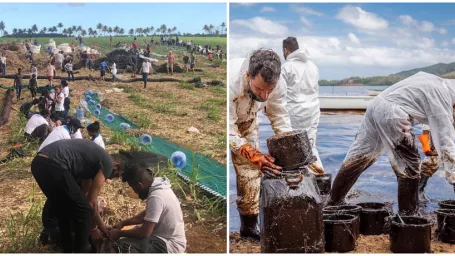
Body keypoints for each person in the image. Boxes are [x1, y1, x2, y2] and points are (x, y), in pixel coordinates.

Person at [327, 72, 455, 215]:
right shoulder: (443, 96)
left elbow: (435, 122)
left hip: (376, 106)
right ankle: (408, 215)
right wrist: (453, 174)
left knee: (359, 157)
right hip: (393, 113)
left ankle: (334, 202)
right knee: (410, 165)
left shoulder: (433, 82)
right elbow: (447, 144)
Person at [229, 49, 292, 240]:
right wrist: (253, 153)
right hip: (224, 120)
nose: (265, 96)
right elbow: (228, 129)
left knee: (250, 171)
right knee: (246, 158)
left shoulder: (277, 85)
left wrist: (289, 143)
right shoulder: (230, 82)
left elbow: (279, 114)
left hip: (248, 119)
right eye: (259, 89)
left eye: (269, 91)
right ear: (248, 75)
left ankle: (248, 228)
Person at [32, 139, 115, 252]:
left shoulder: (85, 167)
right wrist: (95, 228)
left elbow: (86, 197)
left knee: (67, 212)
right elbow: (90, 204)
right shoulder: (108, 163)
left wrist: (101, 226)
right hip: (52, 164)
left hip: (39, 163)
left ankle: (68, 250)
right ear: (117, 166)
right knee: (85, 212)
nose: (108, 179)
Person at [104, 164, 186, 253]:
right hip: (163, 238)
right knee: (130, 235)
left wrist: (119, 233)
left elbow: (144, 233)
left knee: (124, 246)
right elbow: (144, 215)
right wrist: (122, 224)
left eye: (134, 188)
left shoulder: (156, 197)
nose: (135, 192)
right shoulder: (159, 187)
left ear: (139, 185)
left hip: (170, 245)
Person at [280, 37, 325, 175]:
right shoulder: (313, 66)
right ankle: (320, 178)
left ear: (285, 50)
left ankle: (296, 182)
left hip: (295, 112)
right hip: (313, 111)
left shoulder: (286, 67)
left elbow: (279, 93)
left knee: (293, 148)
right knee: (310, 145)